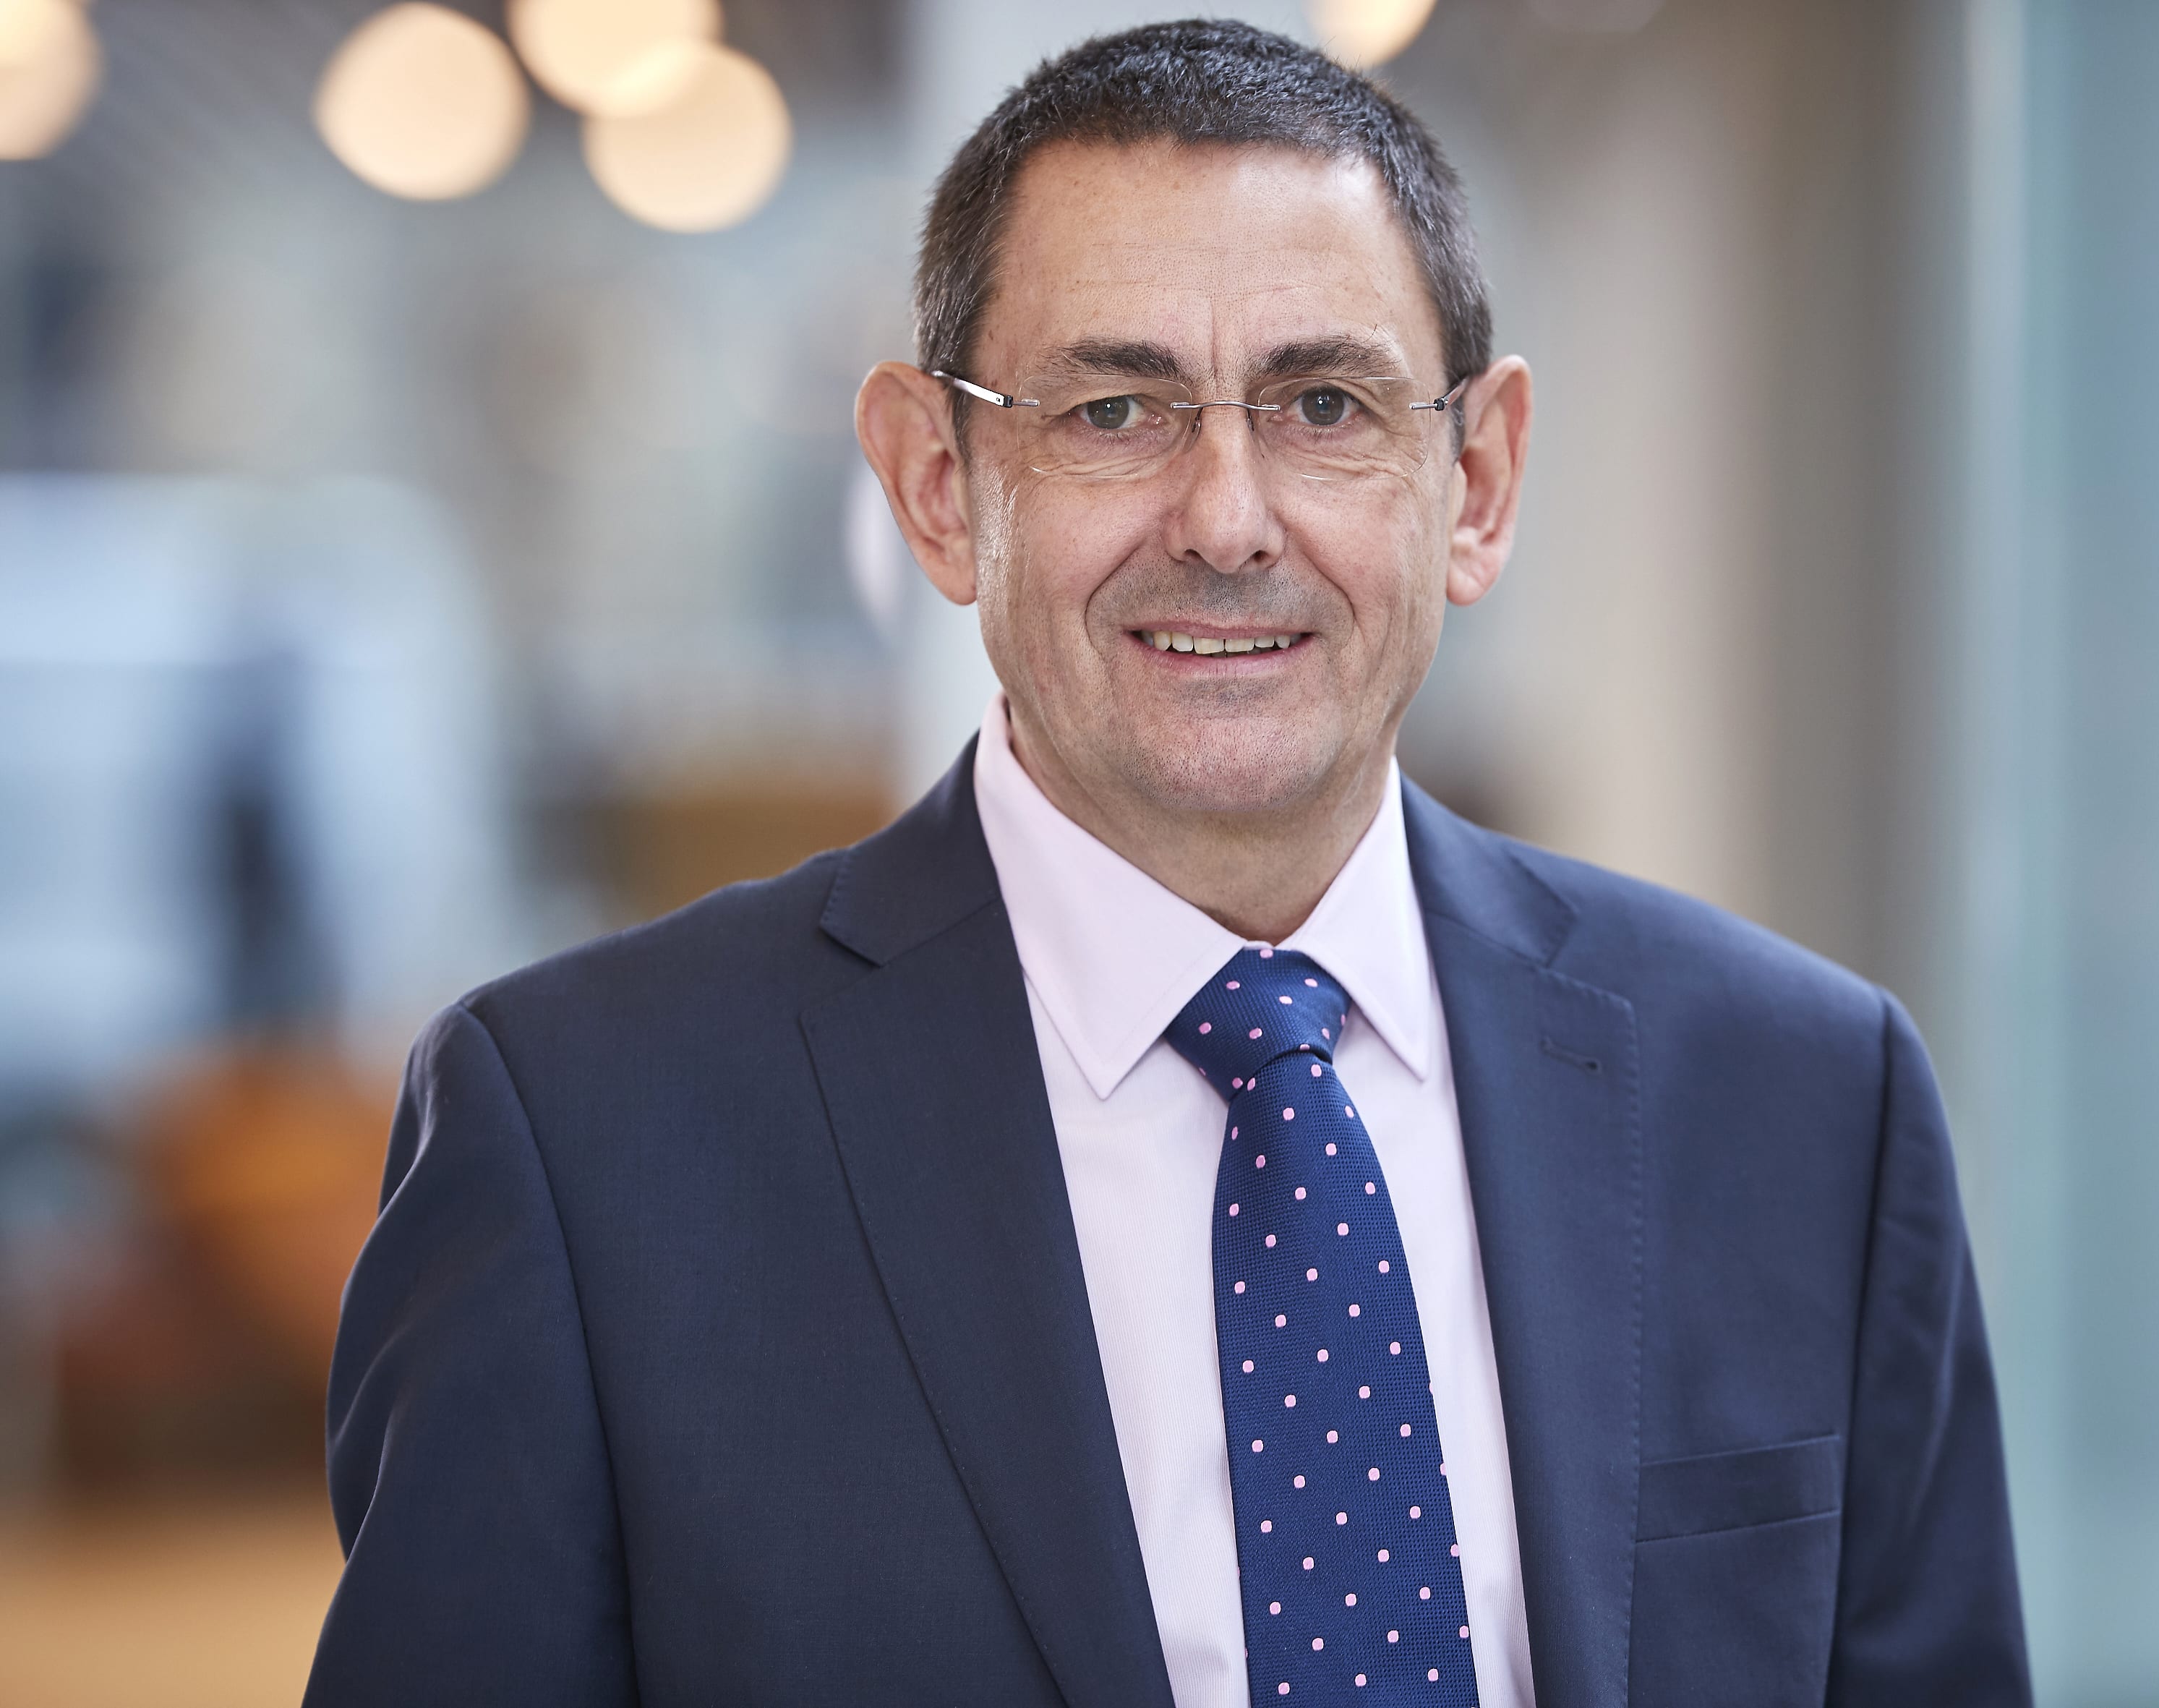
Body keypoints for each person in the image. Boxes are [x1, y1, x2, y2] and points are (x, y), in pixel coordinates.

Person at [304, 20, 2028, 1707]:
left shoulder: (1805, 1099)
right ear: (934, 480)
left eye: (1324, 402)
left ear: (1477, 480)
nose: (1223, 517)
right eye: (1115, 407)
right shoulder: (586, 1139)